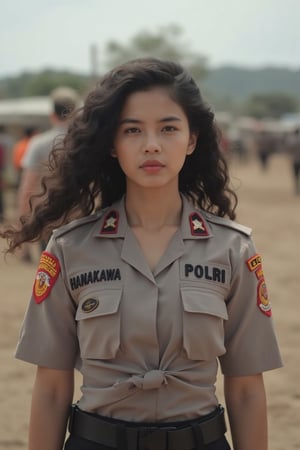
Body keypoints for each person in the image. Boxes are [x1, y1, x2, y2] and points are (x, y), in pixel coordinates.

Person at [1, 58, 282, 450]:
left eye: (168, 128)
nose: (151, 144)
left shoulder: (233, 250)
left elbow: (247, 388)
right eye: (132, 130)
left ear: (192, 138)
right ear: (113, 145)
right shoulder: (70, 249)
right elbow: (50, 388)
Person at [17, 86, 79, 252]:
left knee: (49, 272)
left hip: (48, 217)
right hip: (82, 218)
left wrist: (24, 219)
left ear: (52, 115)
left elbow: (27, 186)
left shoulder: (38, 143)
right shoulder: (86, 142)